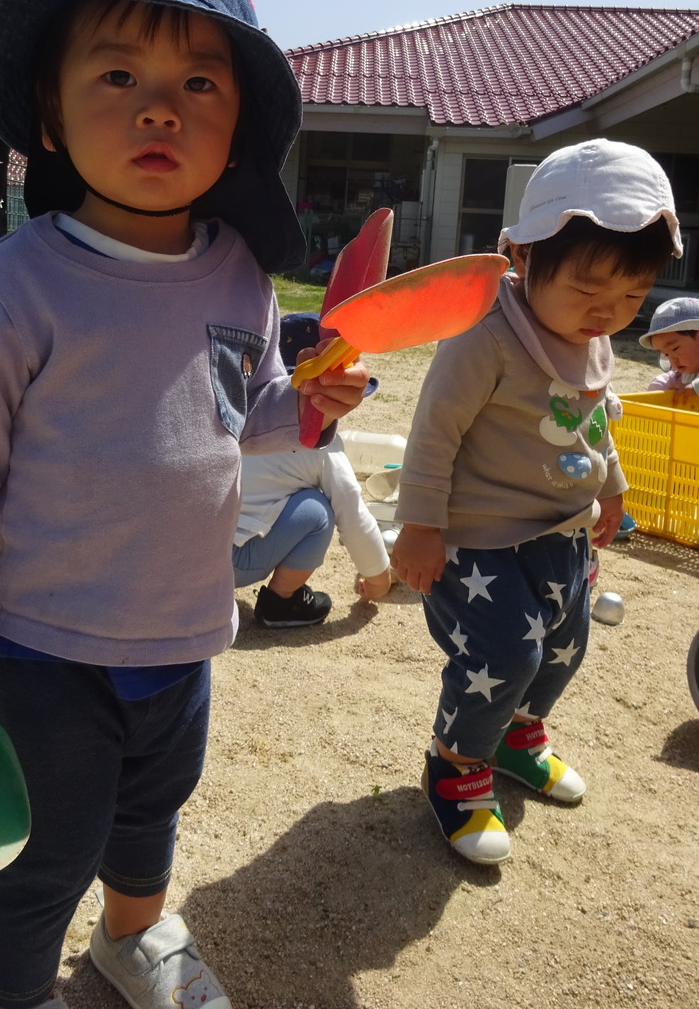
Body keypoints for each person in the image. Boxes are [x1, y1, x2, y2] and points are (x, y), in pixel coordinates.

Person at [0, 0, 374, 1009]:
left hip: (185, 631)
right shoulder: (17, 286)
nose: (161, 105)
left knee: (151, 813)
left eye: (200, 81)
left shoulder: (241, 279)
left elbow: (232, 412)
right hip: (47, 646)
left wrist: (309, 408)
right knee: (40, 850)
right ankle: (10, 995)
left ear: (238, 124)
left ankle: (131, 939)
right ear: (50, 119)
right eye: (119, 73)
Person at [390, 138, 679, 865]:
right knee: (506, 649)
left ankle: (519, 738)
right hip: (478, 540)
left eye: (631, 297)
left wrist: (612, 486)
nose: (608, 312)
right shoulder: (484, 337)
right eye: (588, 291)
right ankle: (455, 766)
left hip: (560, 533)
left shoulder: (596, 339)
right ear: (521, 258)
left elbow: (593, 416)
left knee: (566, 643)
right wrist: (420, 526)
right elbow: (433, 432)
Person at [233, 312, 391, 627]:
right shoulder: (321, 449)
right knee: (317, 511)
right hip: (236, 564)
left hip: (195, 554)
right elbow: (352, 513)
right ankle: (282, 602)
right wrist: (378, 578)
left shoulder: (241, 416)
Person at [640, 296, 699, 401]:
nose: (673, 360)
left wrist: (694, 388)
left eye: (675, 349)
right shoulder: (684, 375)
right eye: (666, 354)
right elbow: (671, 378)